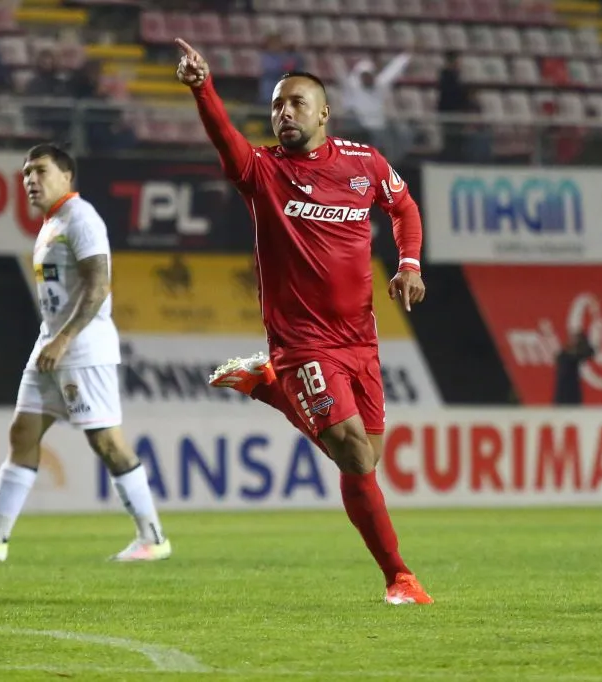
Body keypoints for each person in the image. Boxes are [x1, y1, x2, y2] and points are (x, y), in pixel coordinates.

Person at [175, 39, 433, 605]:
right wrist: (204, 88)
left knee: (365, 459)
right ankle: (400, 578)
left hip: (361, 338)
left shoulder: (365, 164)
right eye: (275, 105)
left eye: (294, 103)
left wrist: (409, 263)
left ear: (322, 113)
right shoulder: (264, 171)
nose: (283, 113)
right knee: (355, 458)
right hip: (303, 341)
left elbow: (404, 207)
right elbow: (226, 142)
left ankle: (266, 387)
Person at [0, 143, 170, 563]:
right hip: (51, 345)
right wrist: (53, 339)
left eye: (40, 171)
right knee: (22, 433)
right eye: (26, 173)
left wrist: (63, 339)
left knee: (107, 443)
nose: (30, 180)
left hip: (81, 349)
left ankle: (152, 537)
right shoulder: (52, 223)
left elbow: (99, 287)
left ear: (66, 175)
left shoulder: (82, 218)